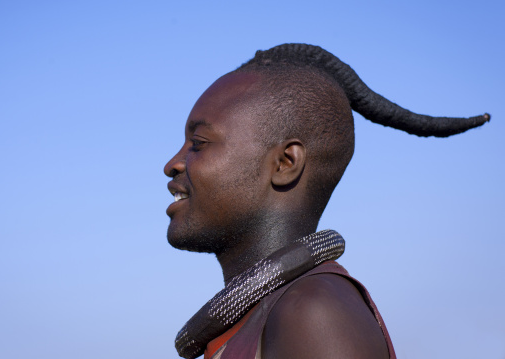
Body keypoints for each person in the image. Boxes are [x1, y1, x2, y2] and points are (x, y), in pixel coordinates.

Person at [164, 44, 489, 359]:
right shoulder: (269, 314)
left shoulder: (313, 312)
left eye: (198, 143)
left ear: (284, 164)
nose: (172, 164)